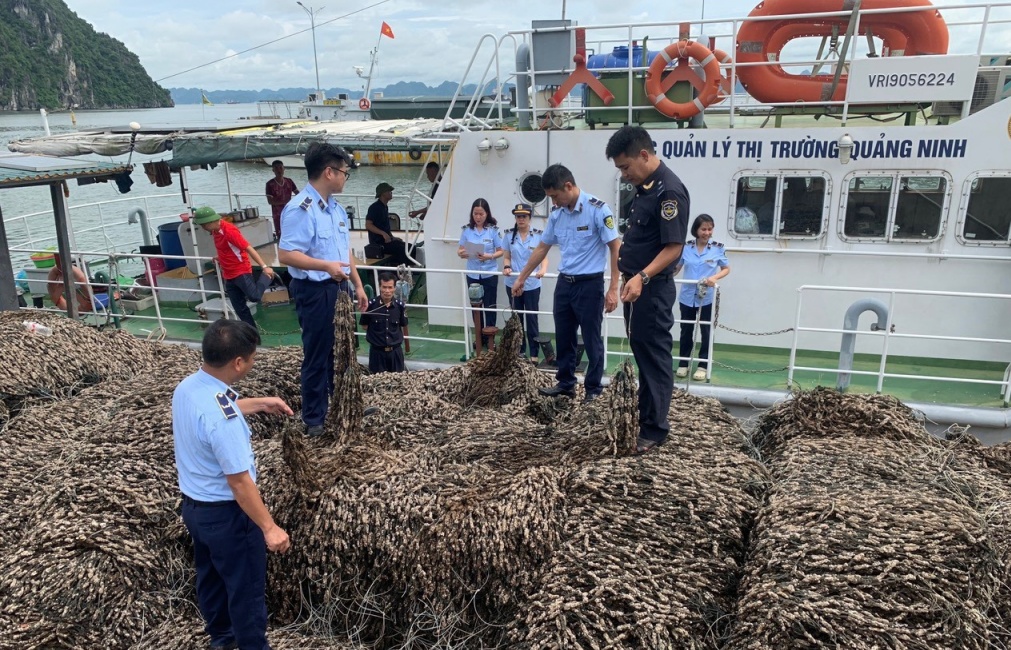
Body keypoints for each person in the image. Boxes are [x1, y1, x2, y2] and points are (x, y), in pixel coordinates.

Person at [172, 319, 294, 650]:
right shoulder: (224, 422)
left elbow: (210, 413)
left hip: (195, 511)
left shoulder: (187, 388)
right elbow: (240, 483)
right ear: (238, 362)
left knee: (211, 580)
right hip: (228, 518)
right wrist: (269, 528)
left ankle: (222, 641)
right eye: (252, 358)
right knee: (246, 592)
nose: (252, 363)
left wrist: (259, 403)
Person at [606, 125, 690, 454]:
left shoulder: (669, 192)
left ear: (644, 155)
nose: (624, 174)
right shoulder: (646, 188)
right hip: (637, 286)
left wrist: (641, 275)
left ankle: (655, 430)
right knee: (642, 351)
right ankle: (647, 418)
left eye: (626, 167)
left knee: (654, 358)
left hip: (650, 289)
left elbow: (674, 247)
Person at [277, 142, 369, 438]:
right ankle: (314, 416)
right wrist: (325, 267)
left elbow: (345, 252)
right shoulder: (301, 209)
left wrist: (357, 283)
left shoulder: (336, 210)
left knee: (343, 349)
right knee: (317, 353)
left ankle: (344, 403)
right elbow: (286, 255)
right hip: (314, 291)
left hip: (340, 289)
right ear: (329, 172)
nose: (345, 177)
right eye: (344, 172)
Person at [512, 164, 620, 402]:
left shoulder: (597, 210)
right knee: (564, 335)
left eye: (555, 196)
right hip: (565, 284)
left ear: (568, 186)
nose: (554, 202)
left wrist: (614, 288)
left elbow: (615, 247)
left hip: (589, 285)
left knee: (592, 339)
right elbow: (542, 247)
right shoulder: (557, 216)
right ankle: (566, 383)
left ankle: (593, 389)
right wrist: (521, 277)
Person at [193, 206, 277, 329]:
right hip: (228, 273)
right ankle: (252, 334)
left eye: (204, 225)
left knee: (254, 297)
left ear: (211, 222)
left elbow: (248, 248)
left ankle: (266, 276)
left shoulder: (229, 231)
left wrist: (264, 267)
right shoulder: (215, 231)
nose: (203, 228)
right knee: (239, 308)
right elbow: (227, 248)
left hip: (240, 270)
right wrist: (220, 257)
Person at [675, 214, 730, 382]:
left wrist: (714, 278)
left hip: (706, 297)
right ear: (696, 231)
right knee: (686, 330)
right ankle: (683, 363)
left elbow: (726, 268)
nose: (707, 232)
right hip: (687, 297)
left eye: (710, 229)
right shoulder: (686, 248)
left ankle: (703, 365)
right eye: (703, 229)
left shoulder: (717, 248)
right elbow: (677, 267)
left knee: (706, 331)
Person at [502, 202, 548, 363]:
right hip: (512, 282)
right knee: (517, 318)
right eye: (518, 216)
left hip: (532, 284)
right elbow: (507, 256)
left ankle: (534, 354)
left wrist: (543, 269)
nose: (521, 219)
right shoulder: (508, 236)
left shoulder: (538, 235)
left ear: (529, 218)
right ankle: (520, 351)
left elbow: (543, 257)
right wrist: (506, 266)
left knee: (532, 319)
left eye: (524, 216)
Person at [457, 198, 504, 353]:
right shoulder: (467, 230)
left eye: (481, 214)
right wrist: (462, 254)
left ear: (487, 214)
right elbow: (460, 249)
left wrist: (489, 256)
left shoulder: (493, 230)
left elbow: (500, 250)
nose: (478, 217)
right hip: (473, 273)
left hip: (489, 272)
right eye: (475, 214)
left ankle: (490, 338)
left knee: (490, 306)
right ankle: (479, 338)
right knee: (476, 307)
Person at [360, 272, 410, 373]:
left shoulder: (400, 307)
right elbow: (364, 326)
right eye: (384, 287)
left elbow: (403, 324)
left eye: (390, 287)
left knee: (399, 384)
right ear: (379, 287)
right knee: (377, 384)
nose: (387, 291)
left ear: (394, 288)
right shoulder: (370, 306)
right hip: (377, 354)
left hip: (395, 353)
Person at [365, 182, 412, 267]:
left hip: (387, 241)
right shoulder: (374, 208)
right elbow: (368, 225)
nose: (391, 193)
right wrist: (383, 234)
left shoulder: (385, 207)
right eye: (389, 191)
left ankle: (410, 270)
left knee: (410, 247)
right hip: (378, 243)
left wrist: (392, 237)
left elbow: (385, 227)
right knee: (402, 249)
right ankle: (402, 272)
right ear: (383, 193)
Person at [265, 160, 298, 240]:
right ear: (273, 170)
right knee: (281, 236)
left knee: (292, 233)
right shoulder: (270, 184)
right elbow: (270, 201)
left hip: (290, 212)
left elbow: (298, 194)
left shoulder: (289, 181)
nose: (279, 170)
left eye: (280, 168)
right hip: (278, 215)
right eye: (276, 168)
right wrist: (286, 202)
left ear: (284, 169)